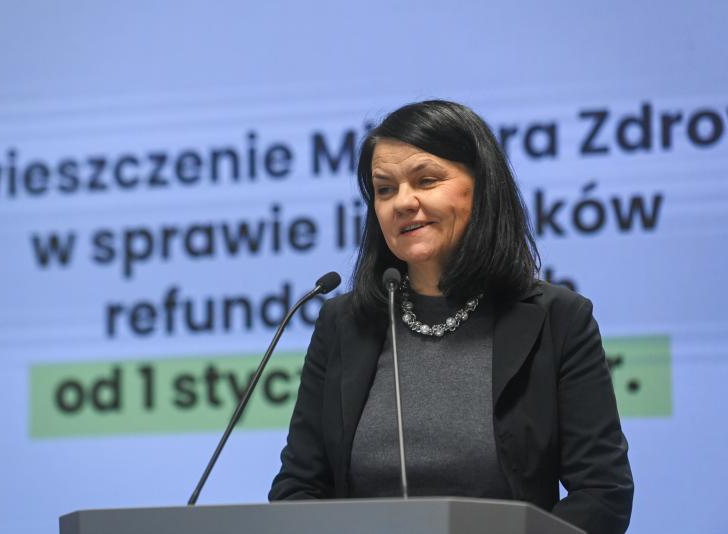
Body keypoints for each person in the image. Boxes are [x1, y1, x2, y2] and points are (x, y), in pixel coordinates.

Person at [269, 100, 633, 534]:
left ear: (482, 186)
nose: (403, 202)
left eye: (426, 180)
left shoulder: (558, 319)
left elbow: (602, 494)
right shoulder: (343, 323)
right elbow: (298, 488)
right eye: (384, 190)